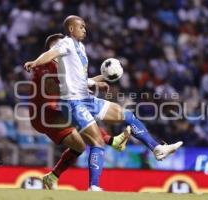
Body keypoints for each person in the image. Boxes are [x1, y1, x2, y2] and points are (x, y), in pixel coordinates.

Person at [24, 15, 183, 191]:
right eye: (81, 26)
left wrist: (103, 78)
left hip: (81, 100)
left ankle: (157, 148)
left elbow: (79, 79)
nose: (85, 29)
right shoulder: (59, 51)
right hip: (60, 108)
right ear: (70, 30)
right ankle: (94, 186)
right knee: (96, 141)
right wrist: (35, 62)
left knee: (126, 115)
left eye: (85, 26)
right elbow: (52, 64)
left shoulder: (80, 48)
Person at [28, 33, 131, 189]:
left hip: (54, 112)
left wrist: (103, 78)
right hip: (44, 114)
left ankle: (52, 177)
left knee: (80, 147)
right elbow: (55, 88)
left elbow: (79, 83)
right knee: (78, 116)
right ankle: (112, 141)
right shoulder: (46, 65)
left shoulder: (61, 65)